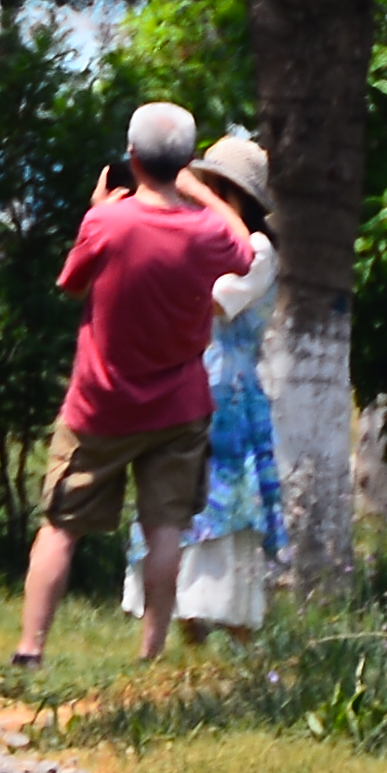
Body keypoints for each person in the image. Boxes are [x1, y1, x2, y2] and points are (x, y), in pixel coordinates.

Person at [11, 101, 255, 678]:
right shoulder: (203, 233)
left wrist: (95, 215)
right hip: (179, 407)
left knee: (61, 525)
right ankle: (150, 653)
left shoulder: (110, 223)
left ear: (131, 157)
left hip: (100, 404)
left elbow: (71, 283)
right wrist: (207, 194)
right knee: (164, 527)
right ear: (185, 162)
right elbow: (242, 250)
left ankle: (30, 650)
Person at [127, 131, 284, 643]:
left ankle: (234, 637)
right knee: (181, 503)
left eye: (213, 189)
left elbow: (214, 299)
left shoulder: (258, 250)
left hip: (228, 394)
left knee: (226, 511)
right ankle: (186, 630)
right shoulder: (205, 238)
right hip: (187, 381)